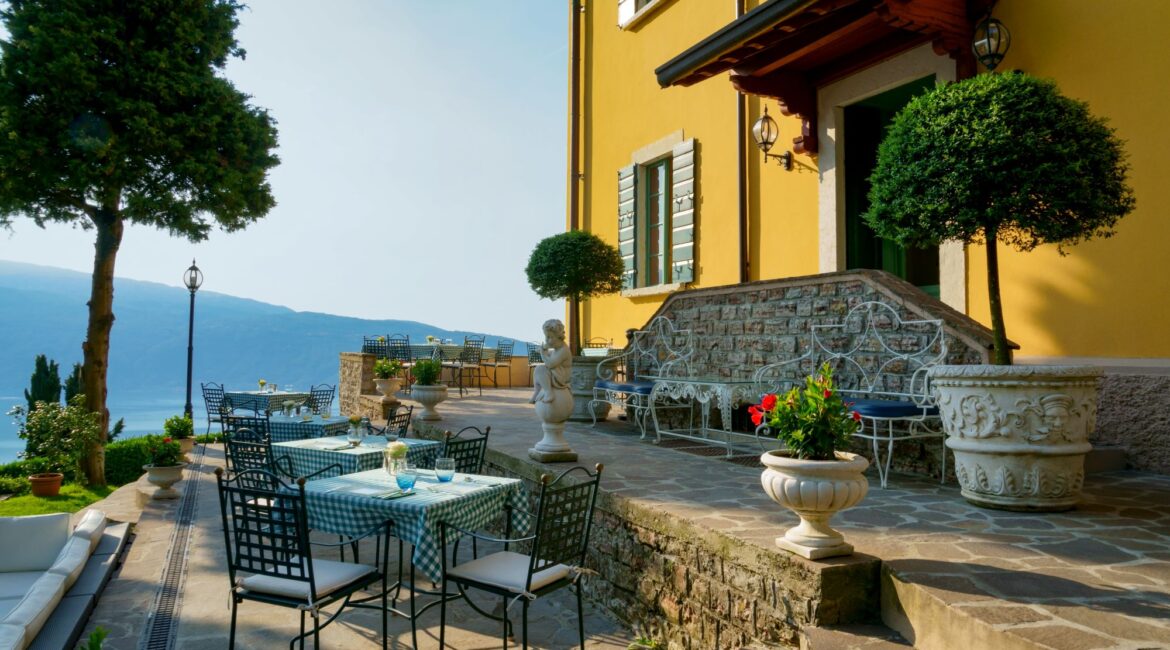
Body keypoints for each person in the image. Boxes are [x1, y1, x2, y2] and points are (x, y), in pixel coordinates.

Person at [530, 319, 571, 404]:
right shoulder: (557, 349)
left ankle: (549, 393)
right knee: (538, 370)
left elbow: (550, 364)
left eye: (550, 337)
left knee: (541, 369)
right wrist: (547, 352)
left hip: (562, 377)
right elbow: (552, 359)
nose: (546, 340)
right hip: (557, 373)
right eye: (546, 336)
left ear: (559, 337)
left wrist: (542, 353)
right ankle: (537, 391)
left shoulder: (563, 350)